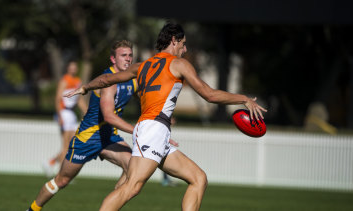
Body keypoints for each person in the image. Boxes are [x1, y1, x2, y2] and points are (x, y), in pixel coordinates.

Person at [65, 22, 267, 211]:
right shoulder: (178, 64)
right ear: (174, 40)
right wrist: (243, 99)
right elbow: (210, 94)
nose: (185, 49)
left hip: (155, 130)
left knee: (198, 178)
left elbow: (107, 79)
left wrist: (84, 87)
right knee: (132, 186)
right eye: (184, 44)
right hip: (152, 129)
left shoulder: (142, 66)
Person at [27, 40, 137, 211]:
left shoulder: (133, 79)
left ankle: (111, 207)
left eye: (130, 55)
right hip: (87, 138)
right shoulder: (108, 81)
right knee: (62, 180)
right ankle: (32, 209)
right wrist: (138, 130)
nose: (128, 59)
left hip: (108, 137)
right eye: (123, 55)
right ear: (113, 59)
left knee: (133, 167)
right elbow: (108, 116)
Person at [42, 61, 88, 177]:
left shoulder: (78, 82)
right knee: (66, 145)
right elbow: (58, 99)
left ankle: (51, 162)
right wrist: (60, 115)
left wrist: (87, 112)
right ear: (67, 68)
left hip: (72, 114)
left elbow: (79, 100)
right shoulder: (64, 81)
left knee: (72, 145)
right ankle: (61, 174)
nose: (73, 69)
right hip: (64, 112)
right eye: (71, 67)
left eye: (75, 67)